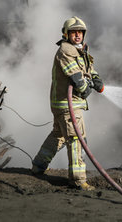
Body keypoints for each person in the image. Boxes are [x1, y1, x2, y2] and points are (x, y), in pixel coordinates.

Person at [31, 16, 104, 191]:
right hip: (68, 104)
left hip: (64, 103)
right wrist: (86, 87)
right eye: (74, 32)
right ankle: (78, 180)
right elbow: (76, 77)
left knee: (58, 135)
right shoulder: (66, 50)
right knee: (76, 139)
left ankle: (38, 166)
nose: (77, 35)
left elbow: (88, 70)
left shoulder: (79, 50)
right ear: (66, 34)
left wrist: (96, 78)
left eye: (80, 32)